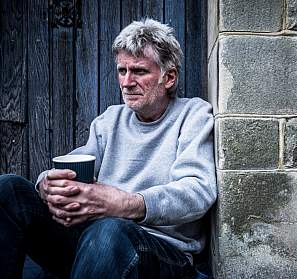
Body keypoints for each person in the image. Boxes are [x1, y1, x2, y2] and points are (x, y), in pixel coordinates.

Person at [0, 18, 216, 279]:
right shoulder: (110, 120)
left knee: (109, 230)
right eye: (121, 71)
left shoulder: (193, 114)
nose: (126, 82)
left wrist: (126, 204)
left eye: (139, 71)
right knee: (9, 188)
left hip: (161, 251)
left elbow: (198, 191)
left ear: (168, 77)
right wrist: (46, 185)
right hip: (96, 244)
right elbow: (73, 164)